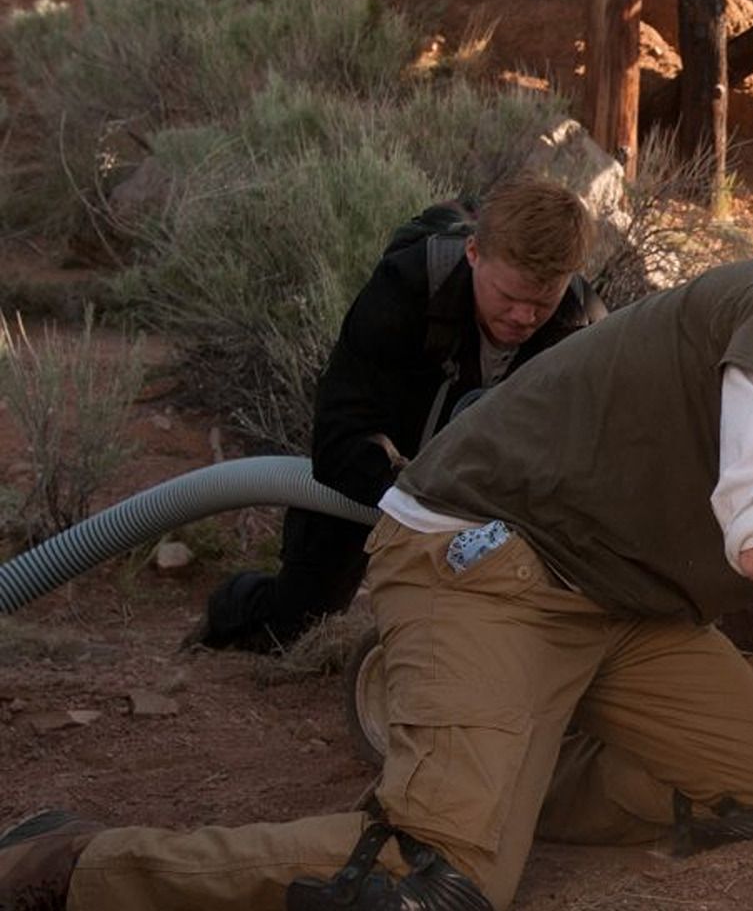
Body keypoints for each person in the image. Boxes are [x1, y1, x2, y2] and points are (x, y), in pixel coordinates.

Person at [0, 237, 753, 911]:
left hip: (623, 606)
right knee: (437, 880)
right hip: (484, 558)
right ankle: (74, 865)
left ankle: (487, 772)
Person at [191, 175, 607, 654]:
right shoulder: (405, 288)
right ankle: (229, 610)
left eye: (541, 303)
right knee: (296, 622)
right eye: (508, 297)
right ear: (473, 254)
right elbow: (338, 436)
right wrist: (416, 503)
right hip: (381, 469)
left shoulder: (582, 326)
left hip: (488, 495)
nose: (521, 318)